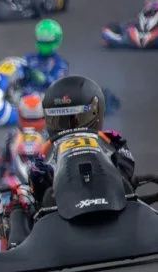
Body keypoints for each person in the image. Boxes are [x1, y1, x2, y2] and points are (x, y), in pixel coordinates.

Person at [22, 76, 136, 209]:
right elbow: (37, 189)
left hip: (112, 200)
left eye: (76, 119)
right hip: (64, 209)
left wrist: (115, 164)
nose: (70, 127)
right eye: (61, 121)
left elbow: (127, 171)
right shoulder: (45, 152)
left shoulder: (111, 140)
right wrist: (41, 176)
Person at [21, 18, 69, 93]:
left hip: (44, 96)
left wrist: (37, 76)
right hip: (22, 94)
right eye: (42, 41)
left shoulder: (60, 64)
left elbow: (56, 83)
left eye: (47, 42)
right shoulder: (28, 58)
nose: (44, 44)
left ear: (56, 41)